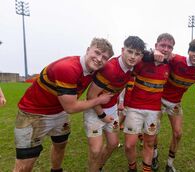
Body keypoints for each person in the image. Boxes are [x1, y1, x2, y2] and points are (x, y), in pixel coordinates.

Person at [13, 38, 114, 172]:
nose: (99, 59)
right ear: (87, 50)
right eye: (97, 52)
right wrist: (99, 100)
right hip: (34, 114)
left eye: (104, 57)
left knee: (60, 144)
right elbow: (71, 107)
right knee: (26, 162)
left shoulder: (94, 68)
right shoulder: (68, 67)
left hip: (59, 113)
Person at [84, 36, 146, 172]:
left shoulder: (133, 66)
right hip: (95, 110)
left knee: (112, 144)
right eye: (130, 52)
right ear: (123, 50)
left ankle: (98, 167)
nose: (133, 57)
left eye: (137, 54)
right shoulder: (110, 68)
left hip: (111, 109)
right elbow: (90, 96)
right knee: (95, 150)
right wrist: (102, 116)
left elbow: (151, 57)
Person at [158, 38, 195, 172]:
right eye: (193, 50)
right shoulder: (176, 59)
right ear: (189, 51)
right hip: (159, 100)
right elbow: (160, 54)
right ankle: (153, 155)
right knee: (153, 132)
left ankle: (169, 164)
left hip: (175, 103)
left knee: (178, 134)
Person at [124, 33, 172, 172]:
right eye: (163, 45)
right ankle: (132, 168)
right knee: (129, 145)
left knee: (149, 143)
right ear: (156, 46)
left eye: (169, 47)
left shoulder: (170, 65)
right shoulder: (142, 60)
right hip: (134, 108)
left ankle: (146, 169)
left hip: (154, 110)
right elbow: (136, 56)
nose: (166, 49)